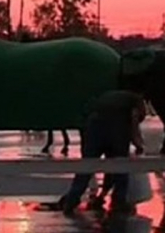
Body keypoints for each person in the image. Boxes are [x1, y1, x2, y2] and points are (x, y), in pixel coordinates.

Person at [57, 87, 147, 215]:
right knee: (120, 167)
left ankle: (71, 201)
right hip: (116, 130)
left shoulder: (108, 94)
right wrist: (137, 144)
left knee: (86, 169)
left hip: (94, 128)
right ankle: (119, 202)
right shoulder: (136, 99)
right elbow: (134, 122)